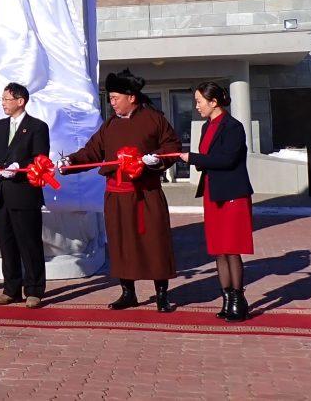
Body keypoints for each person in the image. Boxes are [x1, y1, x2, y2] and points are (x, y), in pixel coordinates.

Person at [61, 69, 182, 312]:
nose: (112, 102)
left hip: (146, 193)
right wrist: (71, 163)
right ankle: (128, 292)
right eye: (111, 98)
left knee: (154, 242)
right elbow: (92, 151)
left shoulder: (154, 119)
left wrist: (156, 159)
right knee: (121, 243)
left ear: (131, 97)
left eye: (115, 97)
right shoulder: (110, 125)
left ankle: (161, 294)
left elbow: (172, 145)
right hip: (116, 195)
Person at [180, 81, 255, 322]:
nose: (197, 106)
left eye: (199, 101)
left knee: (232, 248)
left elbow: (227, 159)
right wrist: (197, 160)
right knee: (218, 249)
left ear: (214, 102)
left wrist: (193, 158)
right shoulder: (206, 126)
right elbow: (208, 159)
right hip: (213, 194)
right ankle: (226, 298)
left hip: (232, 194)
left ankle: (238, 301)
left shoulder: (233, 127)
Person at [0, 82, 50, 309]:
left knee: (29, 243)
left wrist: (18, 166)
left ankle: (34, 290)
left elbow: (39, 157)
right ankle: (10, 289)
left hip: (24, 193)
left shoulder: (37, 127)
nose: (2, 103)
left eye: (6, 99)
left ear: (20, 101)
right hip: (0, 192)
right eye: (1, 99)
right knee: (7, 243)